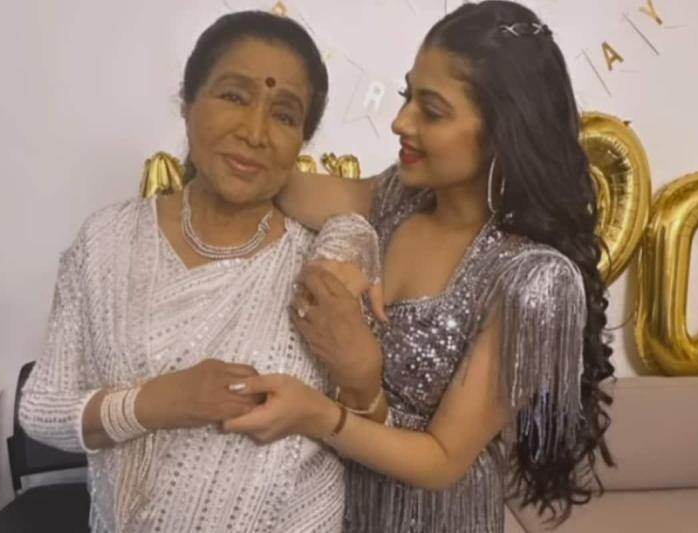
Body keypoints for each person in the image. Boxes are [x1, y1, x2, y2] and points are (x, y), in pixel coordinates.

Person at [223, 2, 615, 531]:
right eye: (407, 96)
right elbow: (282, 185)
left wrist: (315, 414)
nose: (400, 121)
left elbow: (441, 460)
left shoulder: (534, 280)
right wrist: (238, 132)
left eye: (431, 111)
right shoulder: (396, 201)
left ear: (503, 130)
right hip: (341, 511)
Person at [19, 11, 382, 533]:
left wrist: (356, 241)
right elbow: (41, 410)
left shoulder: (327, 266)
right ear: (187, 101)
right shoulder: (105, 242)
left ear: (302, 139)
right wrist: (157, 402)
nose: (254, 132)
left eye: (284, 115)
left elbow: (371, 436)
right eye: (233, 96)